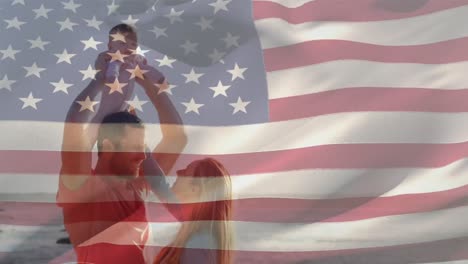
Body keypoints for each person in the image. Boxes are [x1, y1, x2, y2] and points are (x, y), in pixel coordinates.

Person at [56, 23, 187, 264]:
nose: (143, 157)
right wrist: (99, 79)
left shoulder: (138, 186)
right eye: (136, 149)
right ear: (109, 145)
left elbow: (177, 137)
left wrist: (147, 82)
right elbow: (75, 124)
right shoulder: (81, 186)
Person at [152, 158, 233, 264]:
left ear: (194, 189)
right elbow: (160, 185)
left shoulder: (199, 243)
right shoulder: (193, 224)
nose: (178, 172)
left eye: (185, 172)